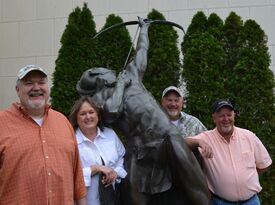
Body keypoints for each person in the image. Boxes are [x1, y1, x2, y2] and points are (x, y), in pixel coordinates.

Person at [77, 17, 211, 205]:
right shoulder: (100, 99)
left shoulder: (132, 74)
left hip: (167, 137)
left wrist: (145, 29)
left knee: (197, 189)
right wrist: (121, 86)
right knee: (134, 198)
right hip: (139, 150)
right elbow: (112, 112)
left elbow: (141, 51)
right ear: (97, 79)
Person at [0, 65, 87, 205]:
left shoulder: (63, 122)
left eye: (41, 82)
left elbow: (77, 177)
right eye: (29, 83)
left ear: (48, 87)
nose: (36, 87)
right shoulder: (2, 124)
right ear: (17, 89)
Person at [186, 99, 272, 205]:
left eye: (229, 115)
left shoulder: (249, 136)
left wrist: (247, 178)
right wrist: (198, 142)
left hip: (251, 201)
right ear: (214, 118)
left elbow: (264, 165)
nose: (226, 119)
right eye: (221, 115)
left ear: (234, 115)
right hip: (221, 202)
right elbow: (181, 143)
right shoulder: (206, 138)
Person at [69, 96, 127, 205]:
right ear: (76, 118)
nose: (88, 116)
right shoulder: (70, 141)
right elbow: (68, 175)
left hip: (113, 199)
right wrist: (95, 169)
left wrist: (116, 172)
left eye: (91, 112)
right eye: (82, 114)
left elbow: (122, 158)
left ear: (98, 115)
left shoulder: (111, 135)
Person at [161, 86, 207, 165]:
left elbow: (207, 144)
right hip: (161, 174)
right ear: (162, 102)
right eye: (169, 100)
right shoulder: (154, 124)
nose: (173, 104)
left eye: (176, 100)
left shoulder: (194, 123)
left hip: (189, 175)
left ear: (182, 103)